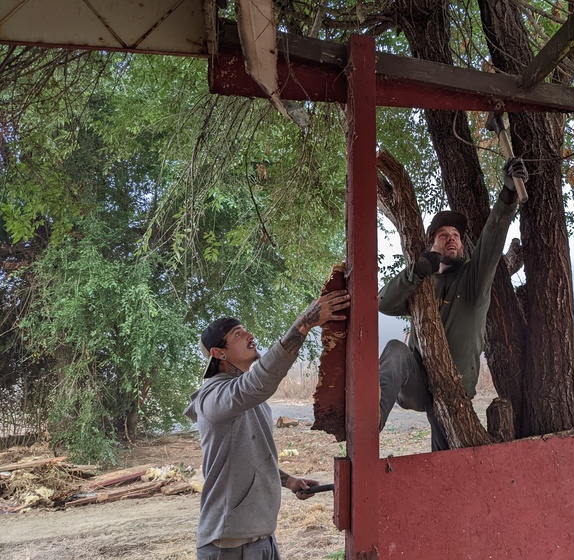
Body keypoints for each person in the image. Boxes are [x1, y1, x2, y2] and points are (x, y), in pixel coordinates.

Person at [185, 289, 350, 560]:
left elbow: (250, 456)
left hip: (262, 539)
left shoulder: (246, 397)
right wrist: (303, 324)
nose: (250, 336)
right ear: (218, 353)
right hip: (228, 545)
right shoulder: (213, 397)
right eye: (238, 334)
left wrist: (288, 481)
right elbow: (260, 381)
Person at [377, 157, 528, 451]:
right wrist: (417, 272)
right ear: (430, 244)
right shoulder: (422, 284)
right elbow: (383, 302)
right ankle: (371, 422)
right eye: (444, 235)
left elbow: (493, 236)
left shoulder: (474, 280)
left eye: (457, 236)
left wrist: (508, 194)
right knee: (396, 349)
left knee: (445, 453)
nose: (452, 240)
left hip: (454, 386)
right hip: (418, 384)